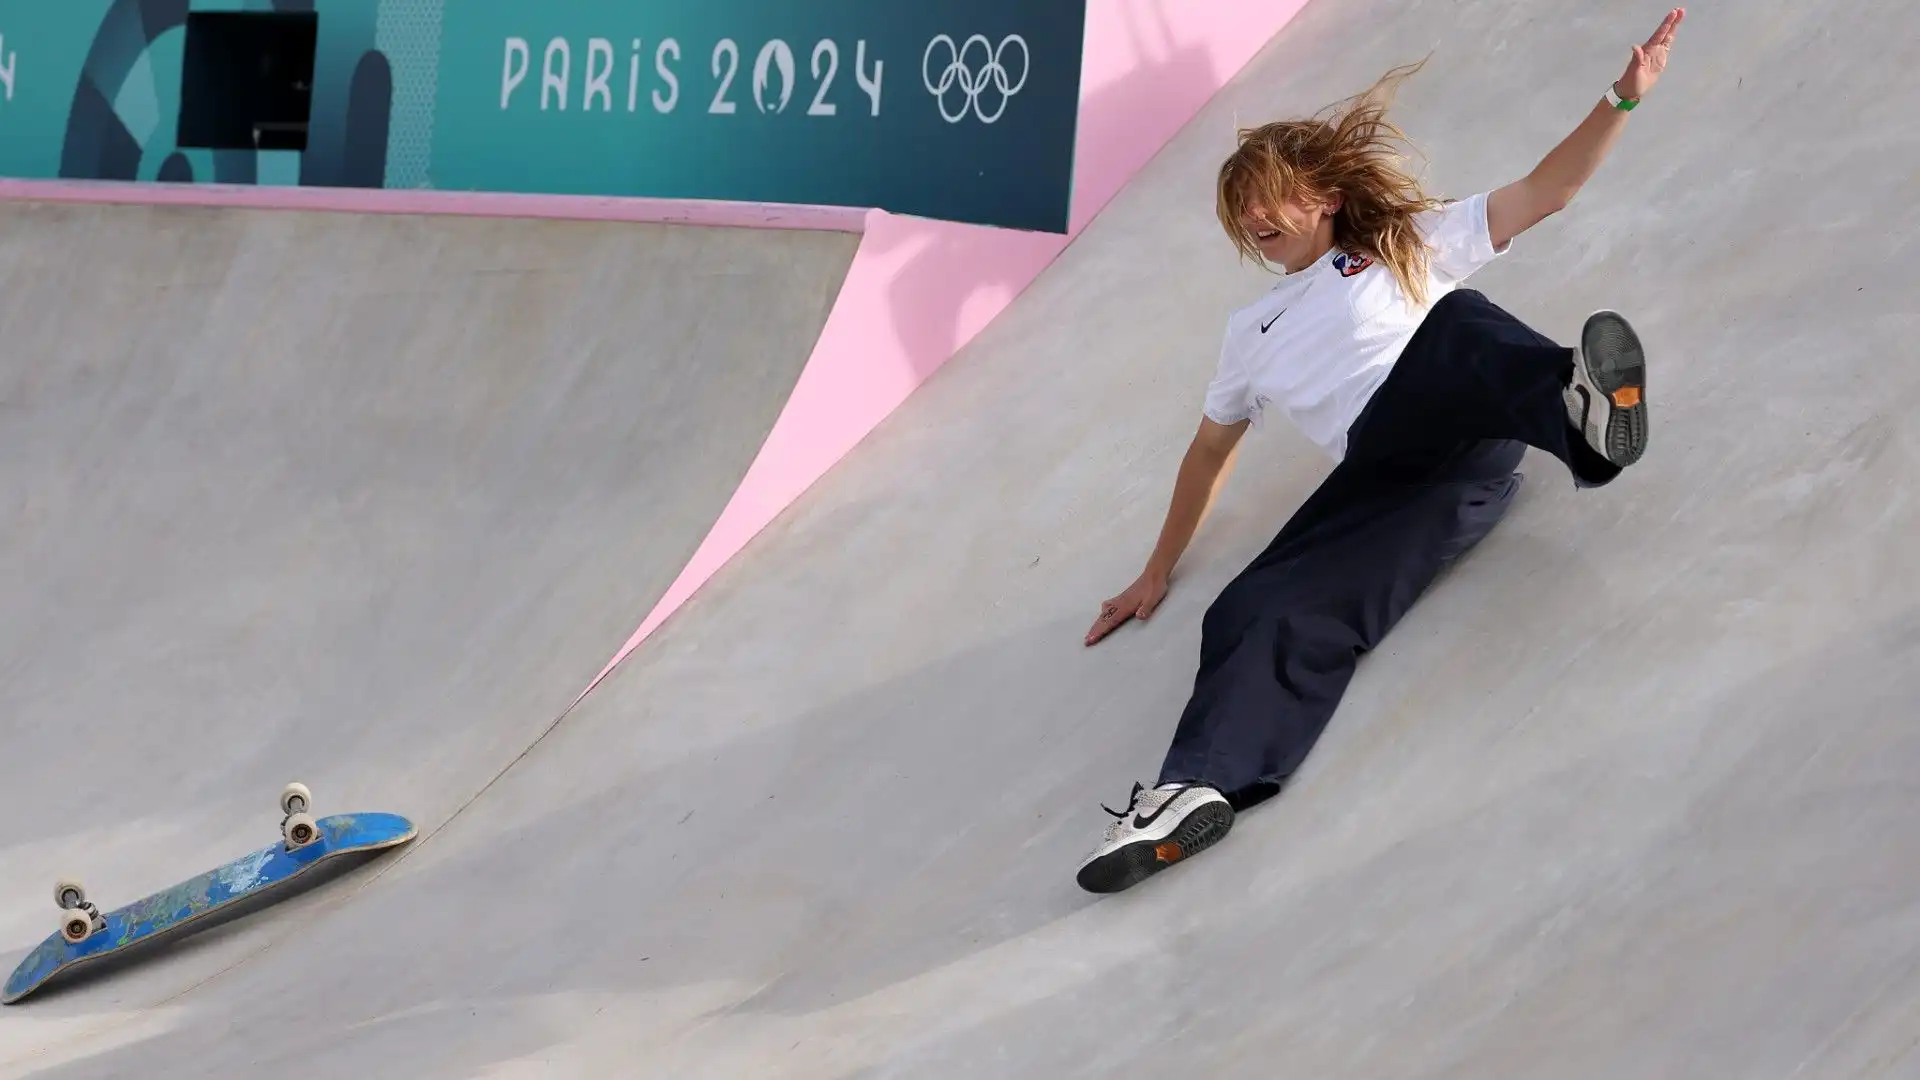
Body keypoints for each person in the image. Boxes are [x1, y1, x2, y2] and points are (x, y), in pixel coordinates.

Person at [1075, 9, 1686, 894]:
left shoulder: (1404, 242)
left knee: (1458, 326)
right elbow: (1208, 452)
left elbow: (1546, 191)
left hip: (1461, 426)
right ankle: (1197, 788)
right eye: (1239, 213)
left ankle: (1576, 411)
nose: (1252, 219)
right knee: (1255, 605)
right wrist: (1155, 571)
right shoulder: (1251, 332)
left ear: (1323, 196)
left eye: (1268, 198)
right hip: (1391, 483)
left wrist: (1620, 102)